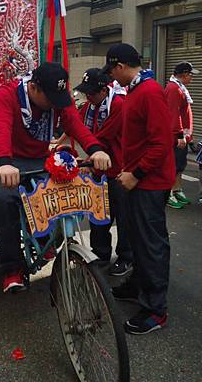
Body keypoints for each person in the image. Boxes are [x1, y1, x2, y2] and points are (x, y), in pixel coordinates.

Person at [0, 61, 111, 294]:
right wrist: (4, 163)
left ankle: (44, 242)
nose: (55, 104)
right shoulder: (7, 94)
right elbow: (0, 128)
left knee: (62, 193)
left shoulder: (57, 96)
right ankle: (12, 268)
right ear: (33, 88)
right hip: (4, 157)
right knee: (4, 201)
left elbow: (74, 122)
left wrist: (95, 149)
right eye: (50, 98)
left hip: (38, 155)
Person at [102, 43, 174, 335]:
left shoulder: (150, 92)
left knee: (151, 243)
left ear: (120, 66)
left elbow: (161, 143)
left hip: (150, 182)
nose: (111, 77)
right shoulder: (134, 90)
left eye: (111, 71)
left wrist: (137, 173)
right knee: (134, 236)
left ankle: (156, 309)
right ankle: (138, 285)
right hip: (134, 178)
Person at [73, 68, 132, 276]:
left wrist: (88, 158)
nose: (87, 96)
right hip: (99, 172)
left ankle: (126, 257)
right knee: (99, 215)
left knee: (124, 218)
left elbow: (104, 138)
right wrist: (58, 143)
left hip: (119, 170)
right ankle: (100, 253)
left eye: (91, 92)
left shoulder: (118, 105)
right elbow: (75, 125)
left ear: (103, 90)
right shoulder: (90, 106)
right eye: (86, 93)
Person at [164, 62, 199, 209]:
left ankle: (177, 189)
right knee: (174, 165)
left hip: (182, 135)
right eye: (191, 74)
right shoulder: (173, 89)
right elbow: (173, 114)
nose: (192, 77)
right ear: (184, 74)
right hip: (176, 137)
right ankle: (169, 192)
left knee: (179, 165)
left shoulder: (179, 87)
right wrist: (179, 135)